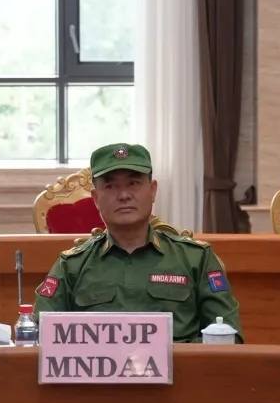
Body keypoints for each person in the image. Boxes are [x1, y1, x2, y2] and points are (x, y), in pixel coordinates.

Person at [34, 143, 243, 343]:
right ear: (96, 199)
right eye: (111, 186)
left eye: (133, 183)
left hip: (179, 368)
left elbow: (228, 336)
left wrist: (168, 355)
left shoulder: (195, 258)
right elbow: (38, 336)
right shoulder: (72, 266)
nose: (124, 195)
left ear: (153, 190)